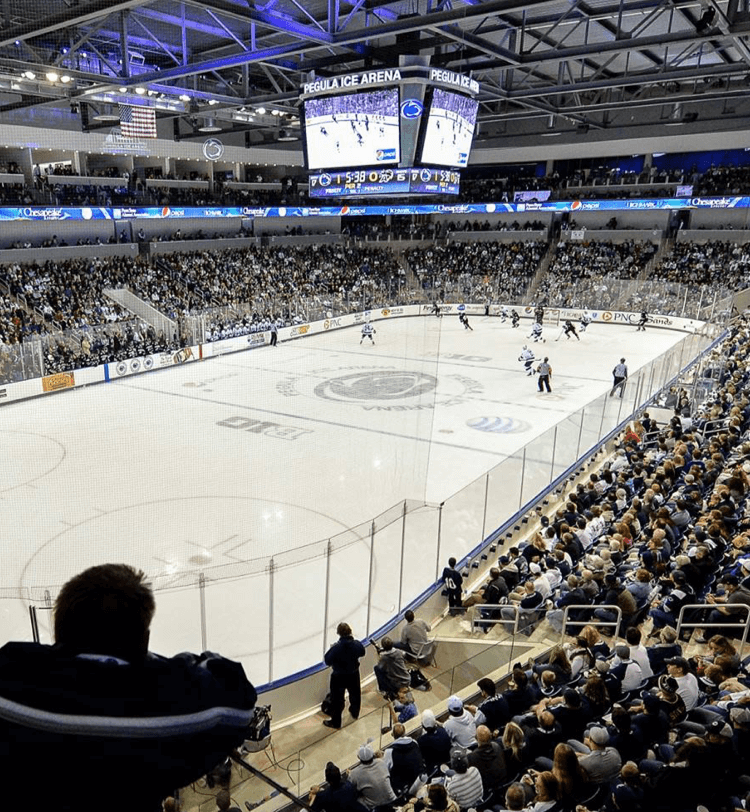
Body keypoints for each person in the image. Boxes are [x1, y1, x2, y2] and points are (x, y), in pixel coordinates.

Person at [0, 563, 257, 812]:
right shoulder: (166, 708)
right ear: (144, 641)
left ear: (58, 630)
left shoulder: (12, 672)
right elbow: (237, 694)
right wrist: (151, 664)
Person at [323, 621, 366, 728]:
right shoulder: (356, 644)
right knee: (355, 695)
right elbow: (362, 652)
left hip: (339, 676)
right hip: (353, 674)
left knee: (337, 699)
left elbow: (327, 660)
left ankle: (336, 722)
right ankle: (355, 712)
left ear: (339, 633)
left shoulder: (336, 648)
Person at [348, 742, 398, 810]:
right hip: (393, 799)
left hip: (375, 806)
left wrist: (350, 774)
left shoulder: (355, 773)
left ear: (359, 757)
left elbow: (350, 785)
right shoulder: (381, 762)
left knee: (356, 798)